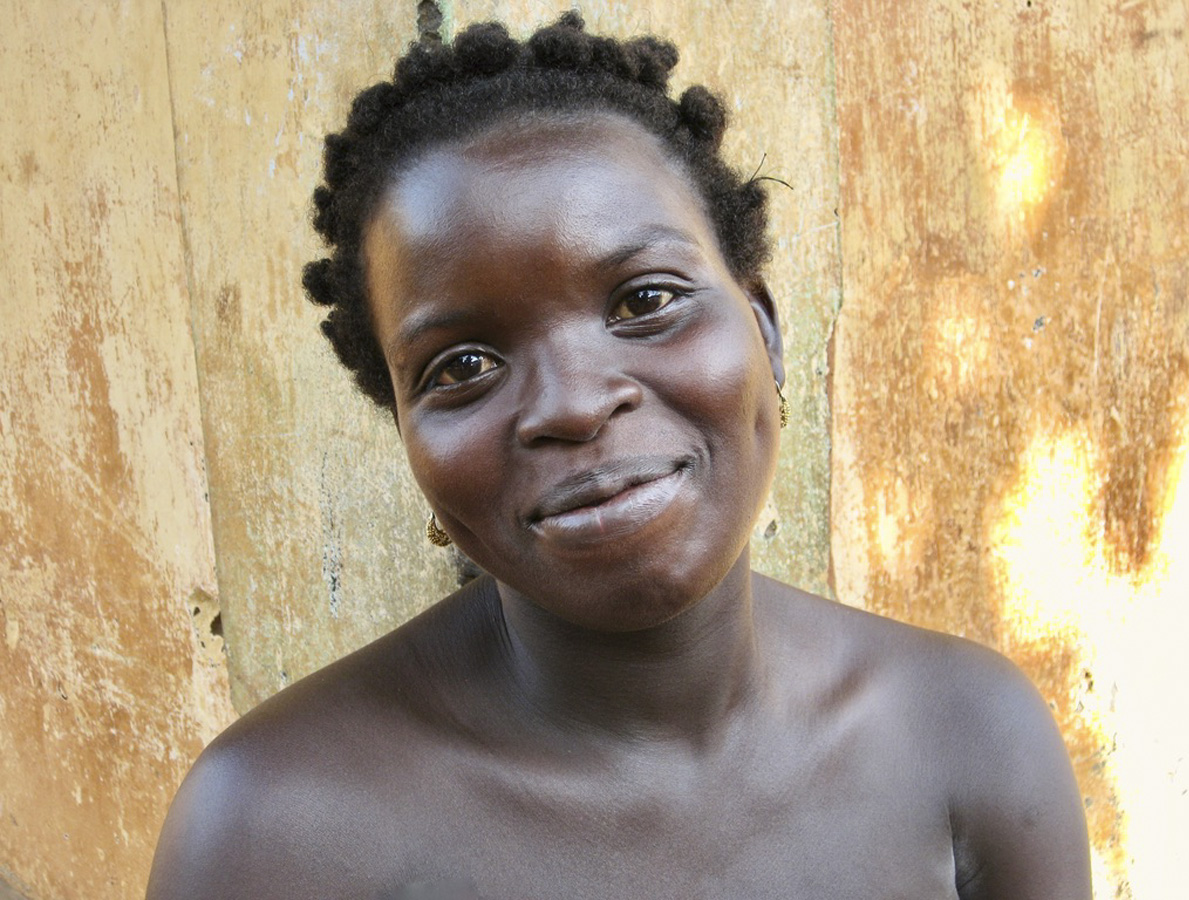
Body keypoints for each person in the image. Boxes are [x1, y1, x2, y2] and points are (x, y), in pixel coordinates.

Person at [147, 13, 1091, 899]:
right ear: (406, 433)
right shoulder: (275, 833)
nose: (573, 403)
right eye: (462, 366)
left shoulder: (967, 737)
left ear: (763, 328)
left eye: (647, 301)